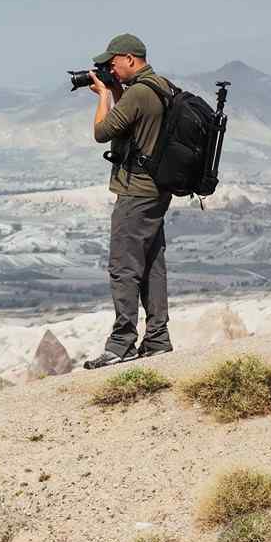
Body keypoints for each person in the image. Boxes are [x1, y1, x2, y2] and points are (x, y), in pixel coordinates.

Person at [80, 33, 175, 369]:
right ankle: (158, 339)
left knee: (123, 266)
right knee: (151, 264)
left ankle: (122, 343)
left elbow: (103, 132)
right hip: (157, 190)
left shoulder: (138, 92)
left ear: (131, 59)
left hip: (136, 192)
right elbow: (134, 126)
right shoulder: (161, 86)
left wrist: (104, 94)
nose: (110, 68)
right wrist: (115, 90)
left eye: (113, 62)